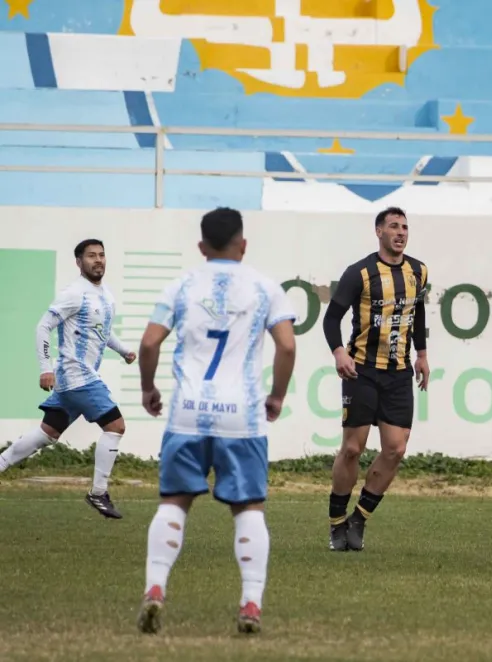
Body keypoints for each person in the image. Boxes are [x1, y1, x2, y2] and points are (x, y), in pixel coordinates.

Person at [135, 207, 297, 635]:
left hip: (188, 412)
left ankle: (155, 587)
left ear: (201, 246)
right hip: (242, 417)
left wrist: (148, 388)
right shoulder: (266, 287)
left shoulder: (182, 285)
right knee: (248, 508)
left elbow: (149, 342)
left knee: (174, 502)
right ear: (243, 244)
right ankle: (251, 602)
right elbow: (287, 346)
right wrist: (277, 395)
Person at [0, 239, 135, 518]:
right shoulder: (74, 293)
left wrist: (123, 351)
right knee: (116, 426)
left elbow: (102, 331)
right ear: (79, 262)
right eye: (91, 256)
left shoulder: (105, 294)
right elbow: (43, 326)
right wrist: (44, 368)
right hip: (78, 375)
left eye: (101, 255)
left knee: (47, 434)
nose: (98, 260)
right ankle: (98, 493)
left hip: (77, 378)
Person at [322, 206, 430, 552]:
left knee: (396, 449)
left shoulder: (418, 271)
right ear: (379, 231)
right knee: (353, 448)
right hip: (362, 371)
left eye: (405, 227)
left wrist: (422, 354)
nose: (401, 233)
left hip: (398, 373)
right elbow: (331, 318)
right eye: (393, 226)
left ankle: (359, 519)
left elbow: (417, 312)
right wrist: (339, 352)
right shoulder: (360, 273)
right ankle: (336, 523)